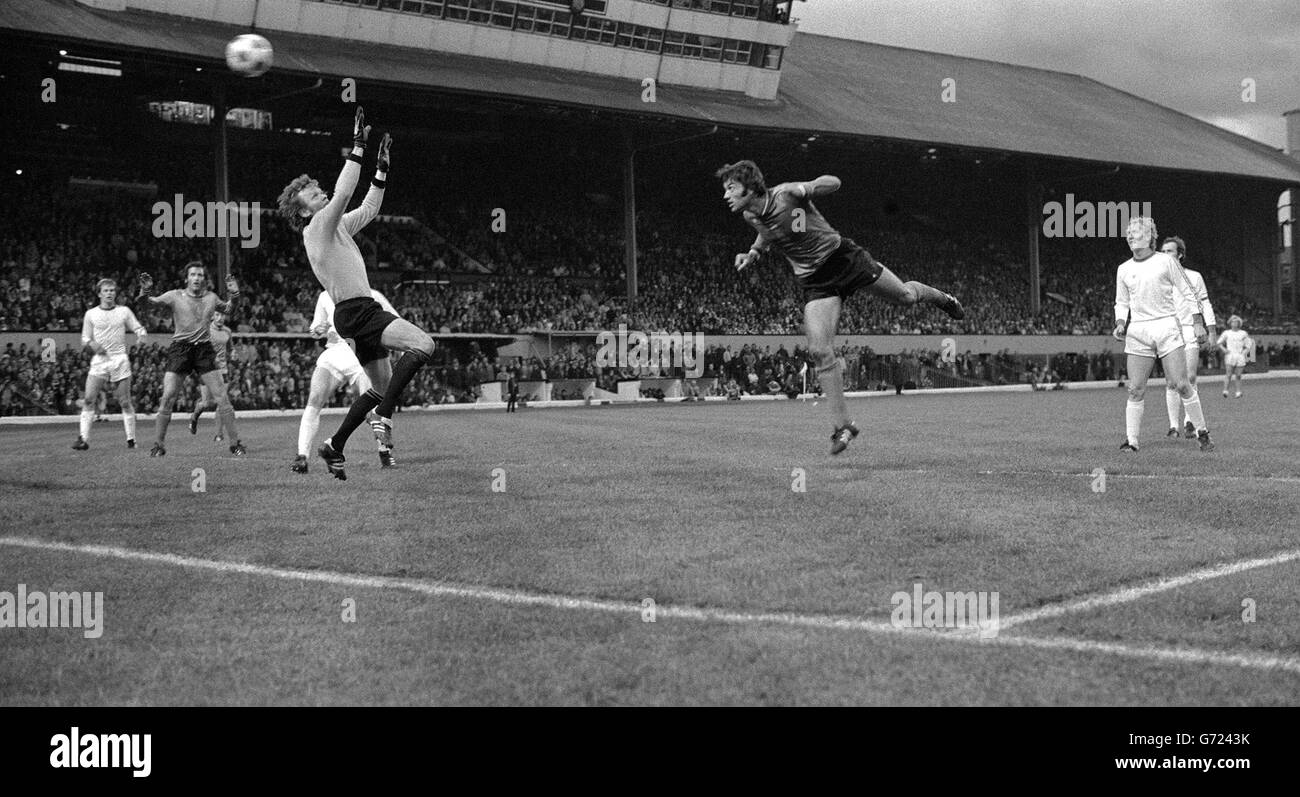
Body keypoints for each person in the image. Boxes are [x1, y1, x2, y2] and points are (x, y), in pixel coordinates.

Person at [718, 160, 963, 454]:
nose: (726, 195)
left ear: (751, 187)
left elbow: (833, 181)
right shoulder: (749, 214)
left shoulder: (786, 195)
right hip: (815, 281)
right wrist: (754, 252)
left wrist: (808, 187)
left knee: (905, 298)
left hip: (843, 259)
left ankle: (942, 298)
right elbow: (768, 230)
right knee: (820, 350)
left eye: (731, 188)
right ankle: (843, 426)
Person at [277, 107, 435, 480]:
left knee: (380, 388)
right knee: (424, 345)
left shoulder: (334, 227)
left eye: (320, 190)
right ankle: (383, 416)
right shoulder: (316, 227)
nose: (322, 194)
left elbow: (368, 207)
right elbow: (346, 192)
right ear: (302, 211)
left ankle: (334, 445)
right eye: (314, 195)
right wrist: (358, 146)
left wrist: (381, 169)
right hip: (358, 311)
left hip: (354, 313)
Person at [1112, 217, 1213, 452]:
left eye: (1135, 232)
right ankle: (1132, 441)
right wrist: (1120, 322)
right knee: (1135, 388)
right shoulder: (1123, 269)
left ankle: (1202, 432)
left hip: (1166, 326)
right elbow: (1121, 301)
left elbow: (1188, 292)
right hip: (1138, 330)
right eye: (1128, 233)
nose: (1130, 236)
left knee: (1181, 384)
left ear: (1149, 236)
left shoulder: (1166, 262)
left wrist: (1198, 323)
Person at [136, 262, 245, 456]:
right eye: (193, 274)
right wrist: (145, 291)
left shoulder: (211, 298)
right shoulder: (174, 296)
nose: (196, 278)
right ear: (187, 278)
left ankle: (235, 443)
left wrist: (235, 295)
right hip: (181, 349)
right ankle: (159, 445)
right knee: (168, 397)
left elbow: (229, 309)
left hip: (204, 350)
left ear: (204, 279)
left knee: (222, 397)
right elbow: (147, 304)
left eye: (200, 275)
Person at [292, 289, 399, 474]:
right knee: (315, 398)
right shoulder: (325, 296)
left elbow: (394, 320)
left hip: (362, 352)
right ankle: (302, 458)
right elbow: (315, 328)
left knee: (372, 407)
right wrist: (318, 329)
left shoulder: (371, 294)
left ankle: (384, 451)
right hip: (335, 352)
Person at [72, 279, 147, 450]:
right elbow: (84, 338)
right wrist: (92, 344)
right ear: (99, 293)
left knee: (125, 401)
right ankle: (83, 439)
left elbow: (139, 328)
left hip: (119, 359)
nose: (110, 293)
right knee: (89, 399)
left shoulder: (124, 311)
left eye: (112, 290)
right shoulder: (91, 314)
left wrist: (141, 336)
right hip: (100, 361)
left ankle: (131, 440)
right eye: (106, 290)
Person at [1158, 237, 1216, 438]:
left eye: (1169, 251)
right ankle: (1173, 426)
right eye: (1162, 251)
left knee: (1190, 377)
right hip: (1168, 332)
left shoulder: (1194, 276)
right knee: (1171, 381)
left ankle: (1189, 421)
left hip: (1190, 329)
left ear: (1180, 255)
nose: (1165, 254)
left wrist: (1212, 330)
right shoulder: (1158, 278)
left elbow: (1205, 303)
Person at [189, 309, 234, 441]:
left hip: (223, 370)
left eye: (222, 315)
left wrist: (233, 353)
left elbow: (230, 348)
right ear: (212, 316)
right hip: (207, 370)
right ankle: (194, 416)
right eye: (217, 315)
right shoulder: (205, 330)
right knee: (206, 403)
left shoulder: (227, 331)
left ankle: (219, 435)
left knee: (222, 402)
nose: (220, 318)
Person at [1217, 315, 1251, 398]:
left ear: (1239, 323)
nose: (1234, 323)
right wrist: (1224, 349)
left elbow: (1248, 344)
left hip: (1239, 355)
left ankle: (1238, 392)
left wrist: (1244, 352)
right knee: (1228, 374)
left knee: (1238, 375)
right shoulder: (1227, 333)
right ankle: (1225, 391)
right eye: (1233, 322)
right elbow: (1219, 343)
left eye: (1236, 322)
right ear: (1230, 323)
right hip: (1230, 355)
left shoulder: (1243, 333)